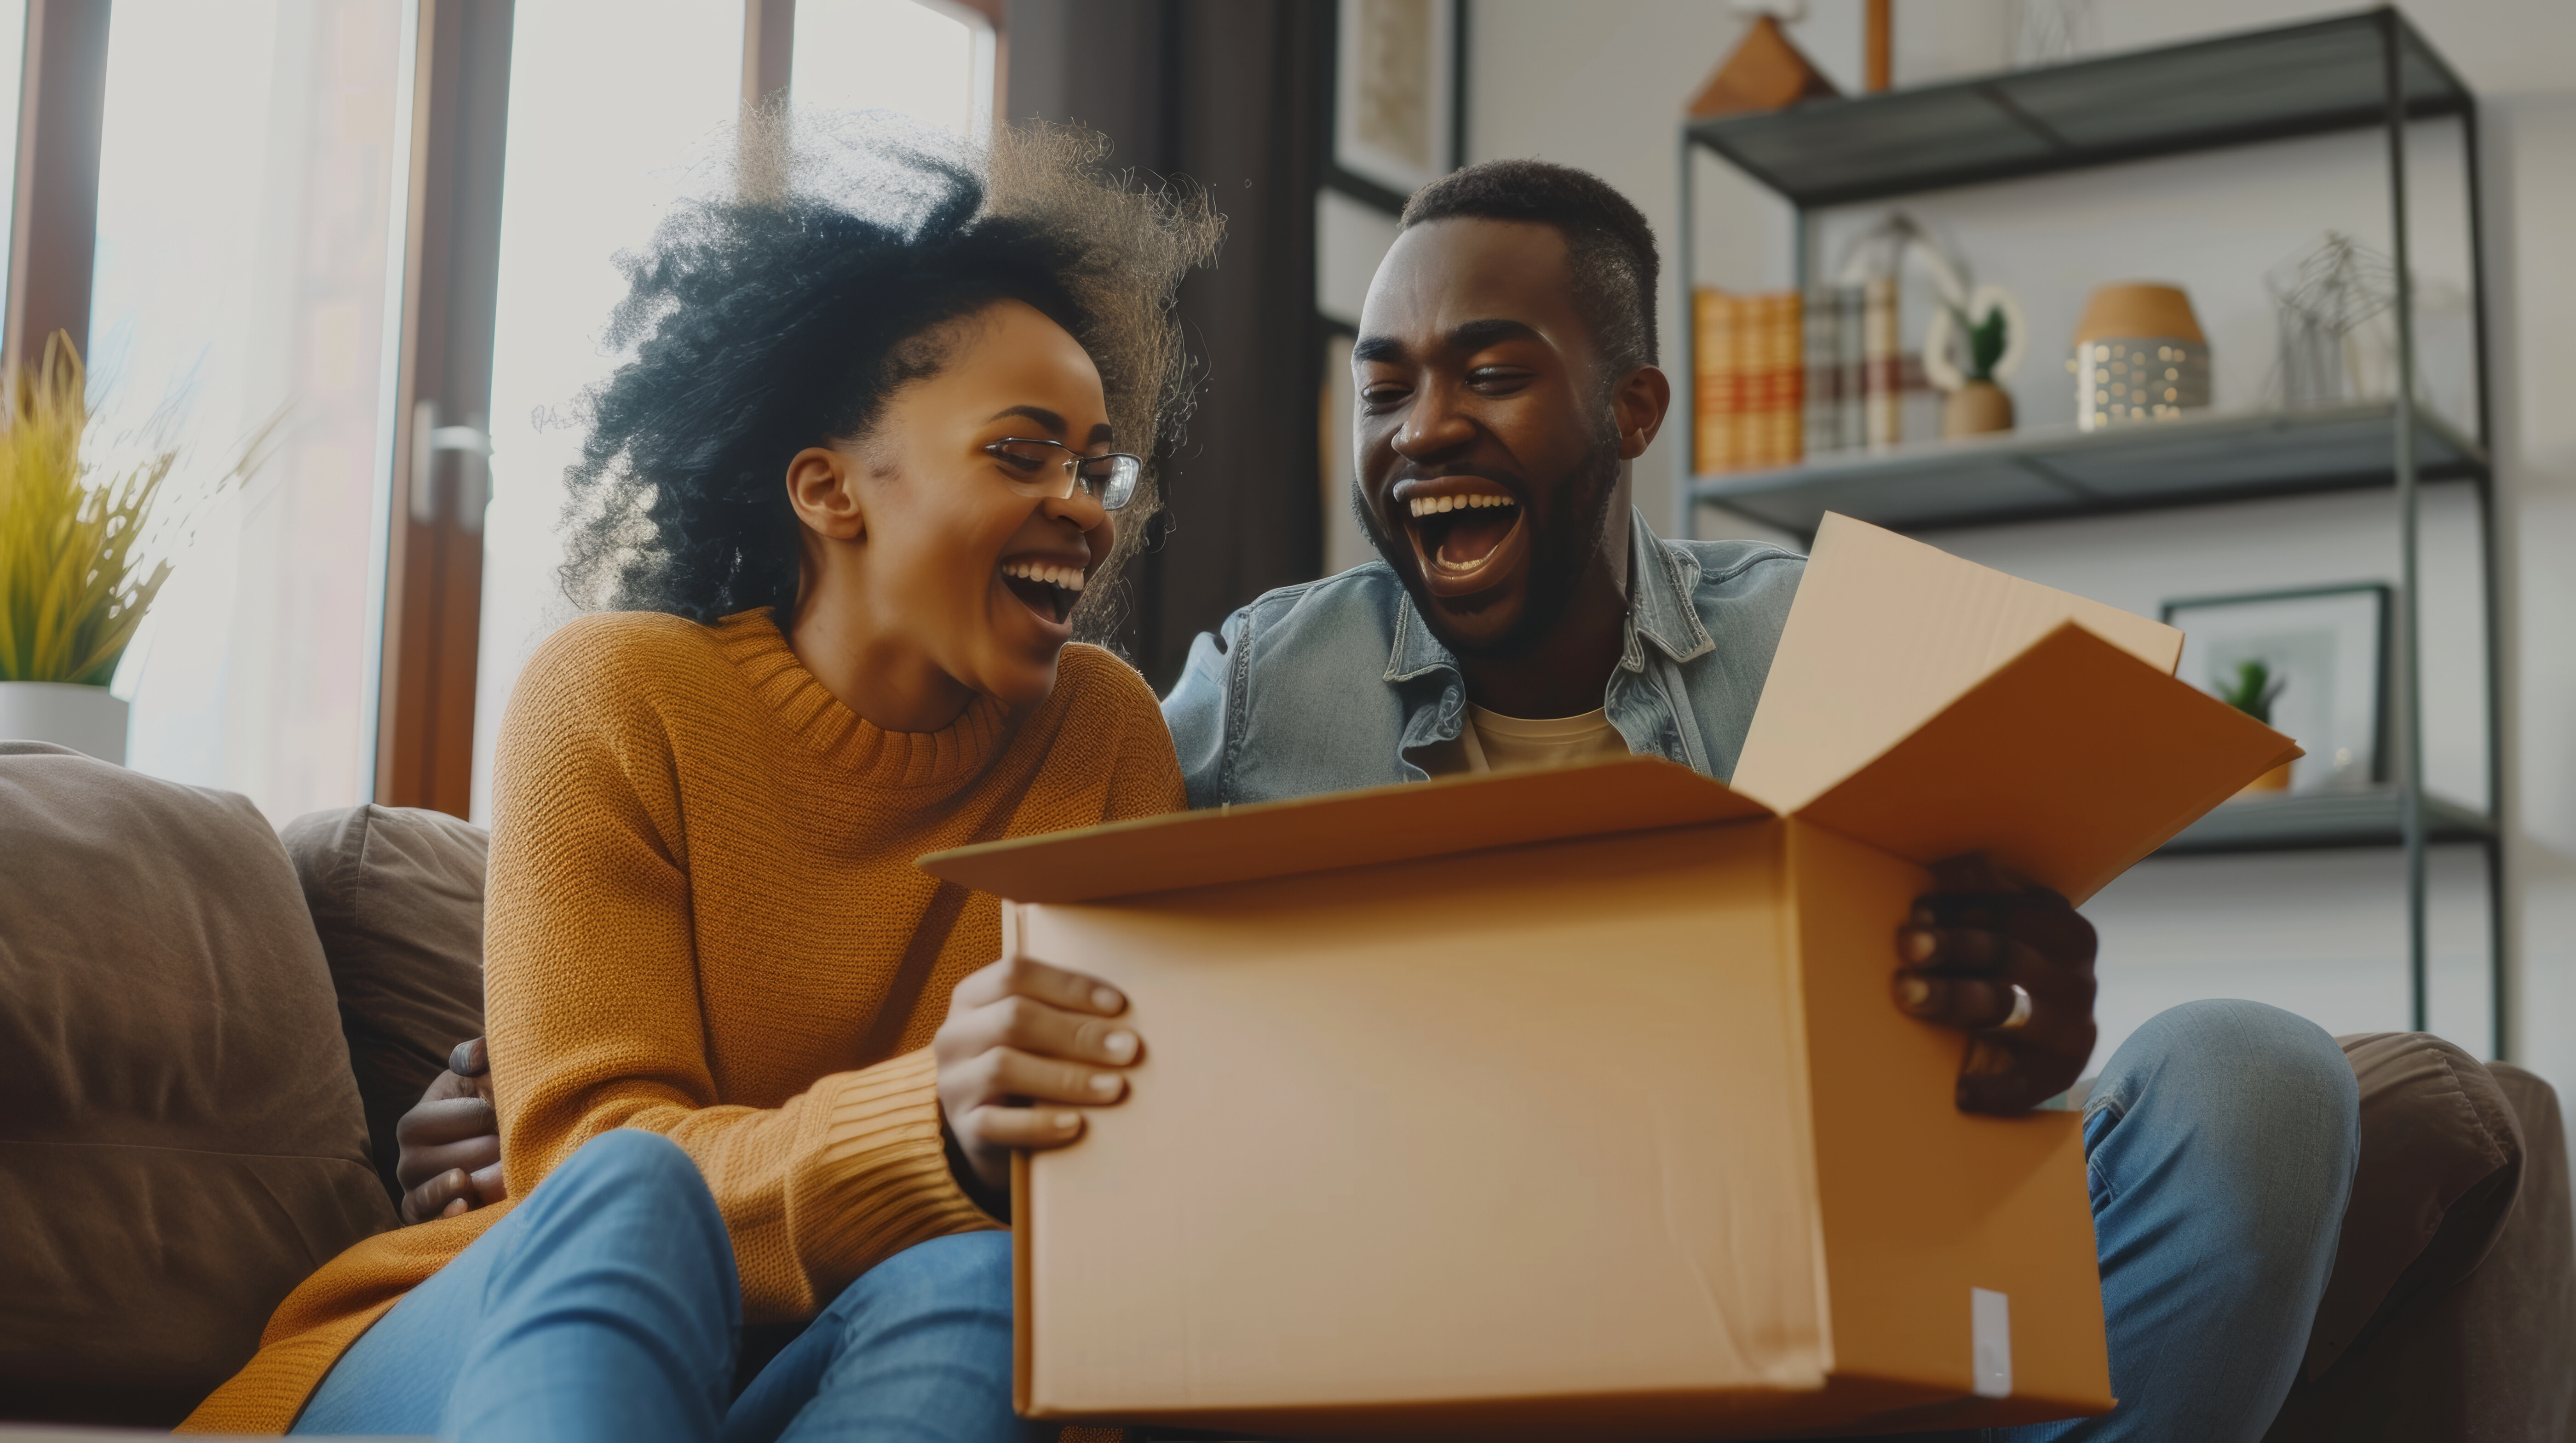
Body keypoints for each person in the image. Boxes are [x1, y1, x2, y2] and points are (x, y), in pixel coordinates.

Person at [1159, 160, 2362, 1442]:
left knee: (2259, 1076)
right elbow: (1056, 925)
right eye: (1385, 387)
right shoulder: (1257, 690)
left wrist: (2025, 1032)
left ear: (1633, 409)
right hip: (1429, 1329)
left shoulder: (1824, 645)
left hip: (1799, 1331)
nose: (1423, 427)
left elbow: (1974, 1089)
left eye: (1493, 373)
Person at [178, 120, 1221, 1442]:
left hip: (791, 1379)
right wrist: (933, 1129)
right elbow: (582, 1169)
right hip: (483, 1350)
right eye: (1021, 453)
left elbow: (1112, 1181)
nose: (1083, 502)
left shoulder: (1105, 735)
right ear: (829, 489)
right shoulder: (619, 698)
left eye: (1096, 464)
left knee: (985, 1286)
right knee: (632, 1191)